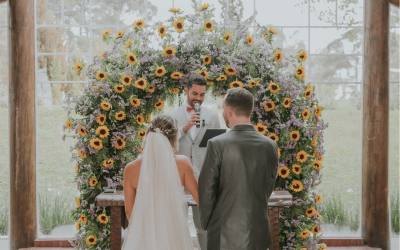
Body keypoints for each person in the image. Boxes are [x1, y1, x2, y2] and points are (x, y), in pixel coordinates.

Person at [198, 88, 279, 250]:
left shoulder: (216, 144)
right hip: (258, 233)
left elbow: (206, 190)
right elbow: (268, 187)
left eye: (222, 110)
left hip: (223, 234)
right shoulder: (271, 146)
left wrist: (206, 224)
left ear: (229, 111)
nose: (222, 114)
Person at [122, 114, 198, 250]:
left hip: (145, 233)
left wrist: (142, 234)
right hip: (174, 233)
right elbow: (200, 198)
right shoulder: (183, 164)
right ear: (174, 138)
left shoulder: (131, 168)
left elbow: (129, 210)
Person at [167, 73, 220, 250]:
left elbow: (216, 151)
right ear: (186, 91)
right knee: (175, 226)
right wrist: (184, 128)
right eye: (195, 94)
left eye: (202, 94)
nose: (198, 98)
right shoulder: (171, 115)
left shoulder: (212, 117)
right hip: (176, 180)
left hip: (203, 181)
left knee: (203, 226)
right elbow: (164, 143)